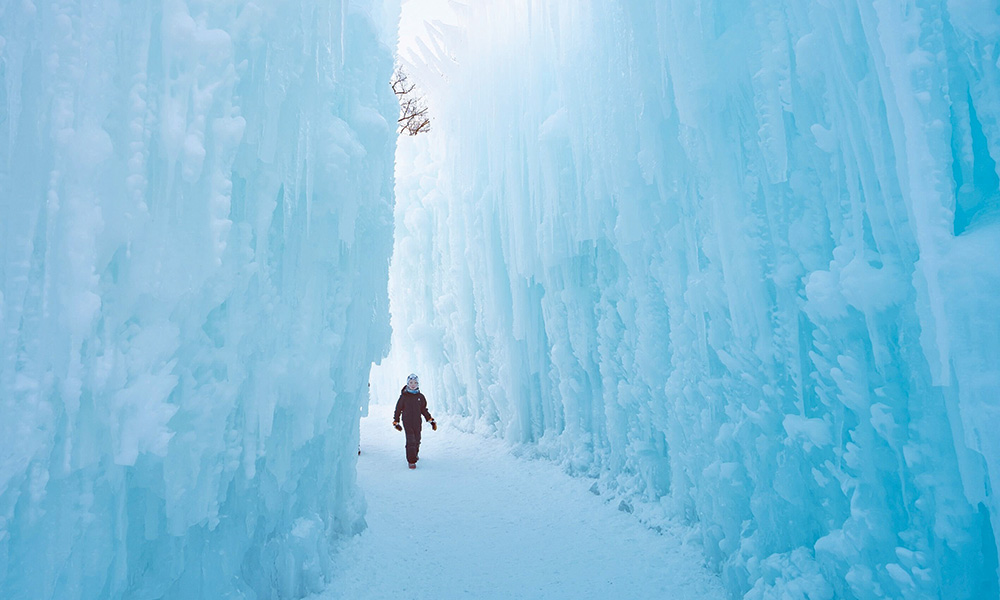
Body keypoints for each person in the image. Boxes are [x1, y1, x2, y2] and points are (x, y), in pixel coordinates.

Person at [393, 373, 436, 469]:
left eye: (415, 383)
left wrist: (430, 420)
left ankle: (415, 454)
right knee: (410, 440)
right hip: (407, 422)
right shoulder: (403, 397)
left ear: (418, 384)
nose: (413, 384)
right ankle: (411, 461)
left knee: (417, 439)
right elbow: (398, 409)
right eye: (411, 382)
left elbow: (424, 410)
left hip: (417, 422)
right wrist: (396, 421)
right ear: (407, 383)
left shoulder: (420, 397)